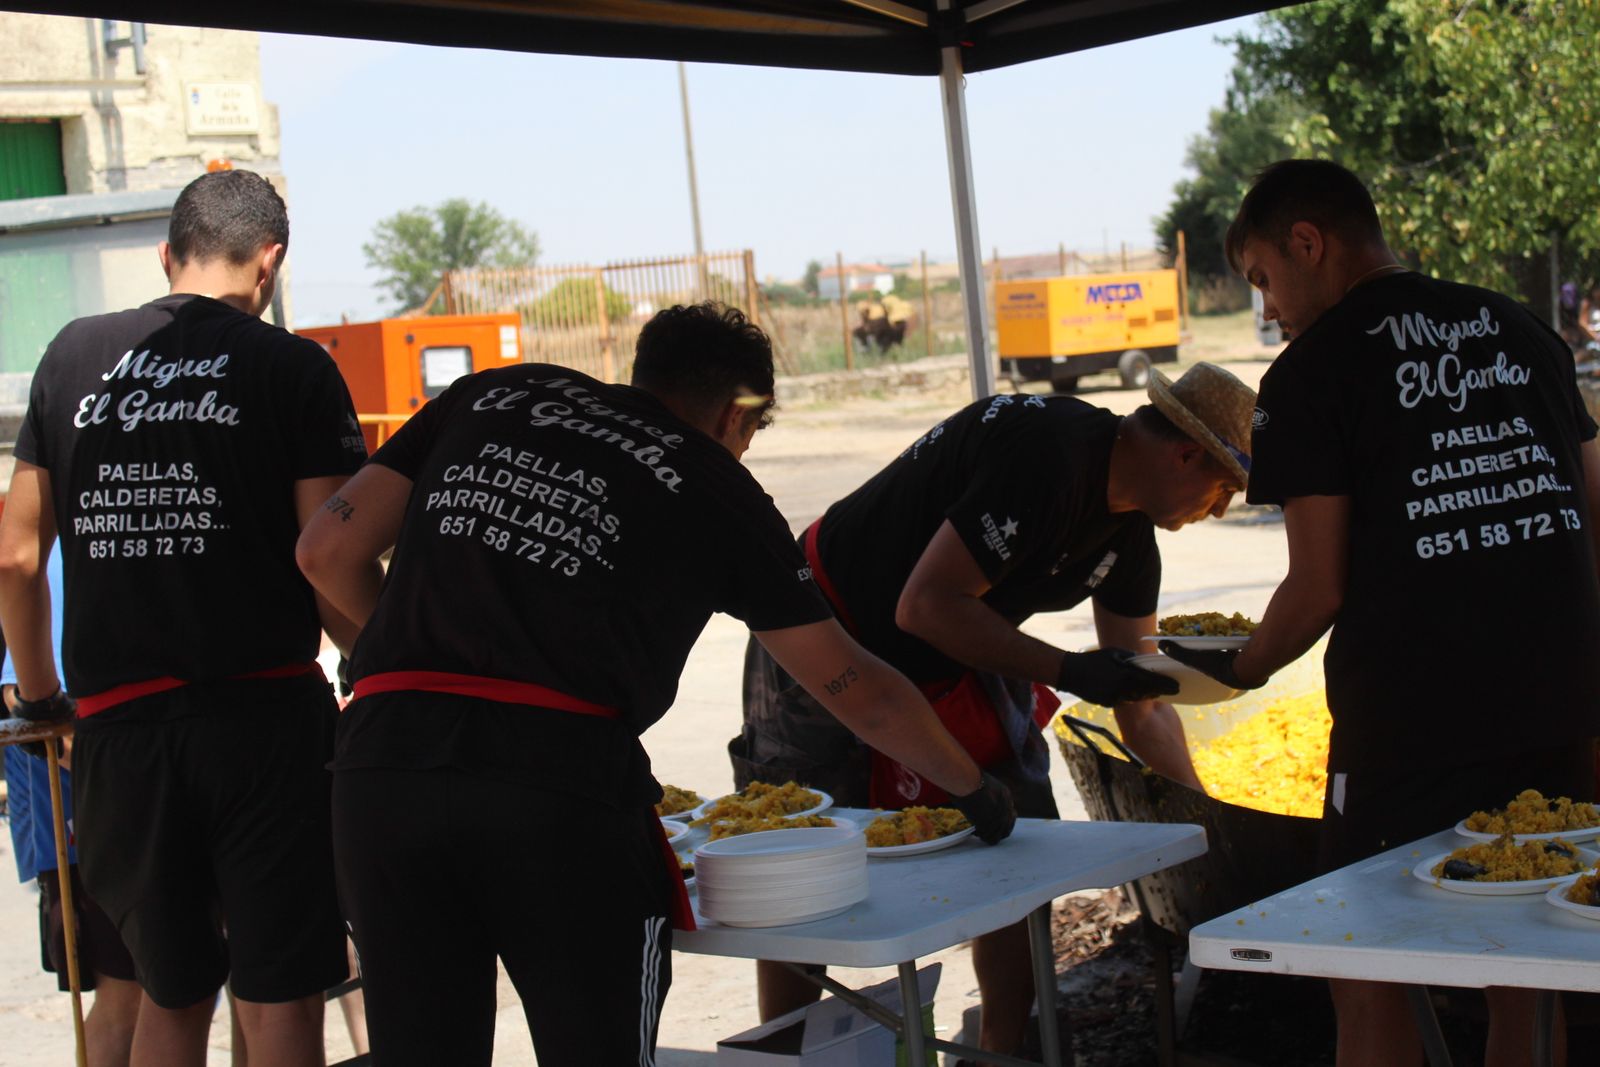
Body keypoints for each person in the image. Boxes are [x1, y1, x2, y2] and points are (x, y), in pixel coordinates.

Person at [293, 301, 1017, 1067]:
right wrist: (974, 788)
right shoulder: (717, 486)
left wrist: (403, 662)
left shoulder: (493, 394)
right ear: (742, 416)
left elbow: (326, 549)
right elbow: (854, 686)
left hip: (382, 771)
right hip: (559, 792)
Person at [1170, 158, 1600, 1067]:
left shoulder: (1313, 371)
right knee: (1530, 964)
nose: (1271, 305)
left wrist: (1236, 670)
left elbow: (1317, 586)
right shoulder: (1525, 331)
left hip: (1414, 720)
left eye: (1263, 280)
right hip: (1564, 699)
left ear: (1308, 242)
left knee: (1362, 963)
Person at [734, 362, 1255, 1058]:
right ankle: (788, 1054)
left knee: (1020, 840)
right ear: (1185, 452)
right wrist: (1070, 669)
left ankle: (1003, 1049)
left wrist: (1213, 823)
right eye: (1222, 488)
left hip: (958, 645)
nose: (1219, 510)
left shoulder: (1130, 539)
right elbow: (924, 605)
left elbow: (1145, 706)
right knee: (802, 860)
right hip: (828, 628)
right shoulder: (1050, 456)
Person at [0, 168, 371, 1067]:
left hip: (119, 734)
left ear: (169, 255)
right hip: (265, 728)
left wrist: (45, 697)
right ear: (270, 262)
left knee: (170, 990)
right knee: (280, 996)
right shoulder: (293, 368)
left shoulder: (71, 355)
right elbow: (327, 561)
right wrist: (385, 657)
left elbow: (13, 554)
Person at [2, 544, 142, 1066]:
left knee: (168, 992)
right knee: (128, 998)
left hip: (132, 811)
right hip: (89, 825)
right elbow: (21, 693)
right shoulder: (60, 555)